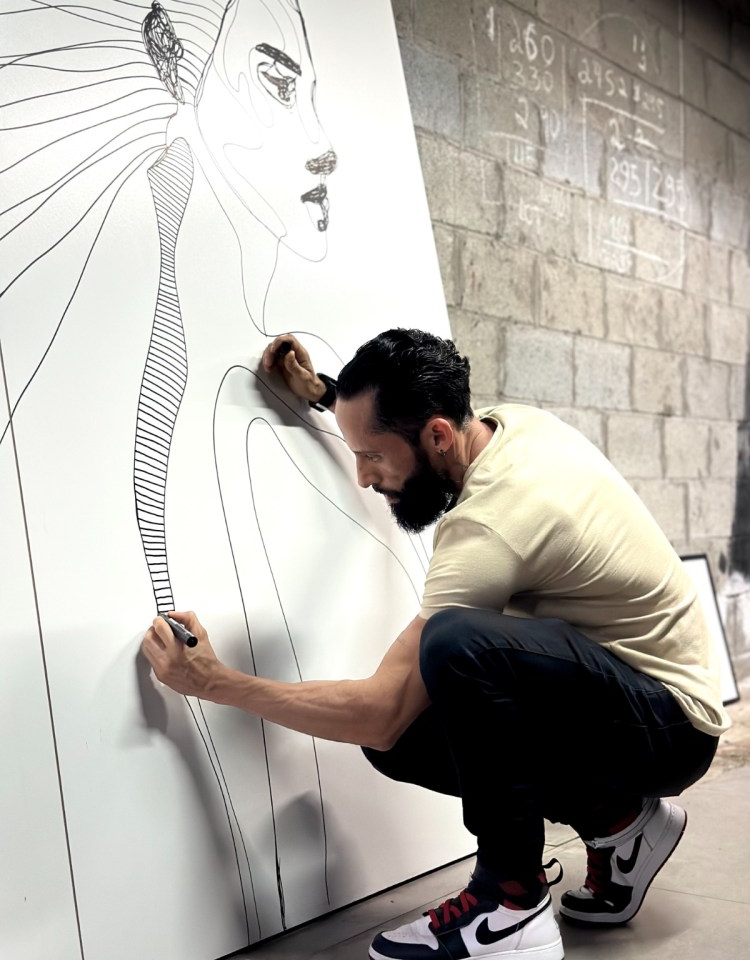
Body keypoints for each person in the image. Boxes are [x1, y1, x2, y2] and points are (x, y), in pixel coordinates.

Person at [142, 327, 730, 960]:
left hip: (670, 728)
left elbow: (381, 713)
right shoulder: (512, 427)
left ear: (438, 436)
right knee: (414, 732)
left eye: (372, 455)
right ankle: (619, 821)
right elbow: (409, 426)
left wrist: (214, 682)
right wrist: (324, 394)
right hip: (646, 693)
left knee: (453, 651)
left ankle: (510, 904)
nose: (363, 477)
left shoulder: (489, 526)